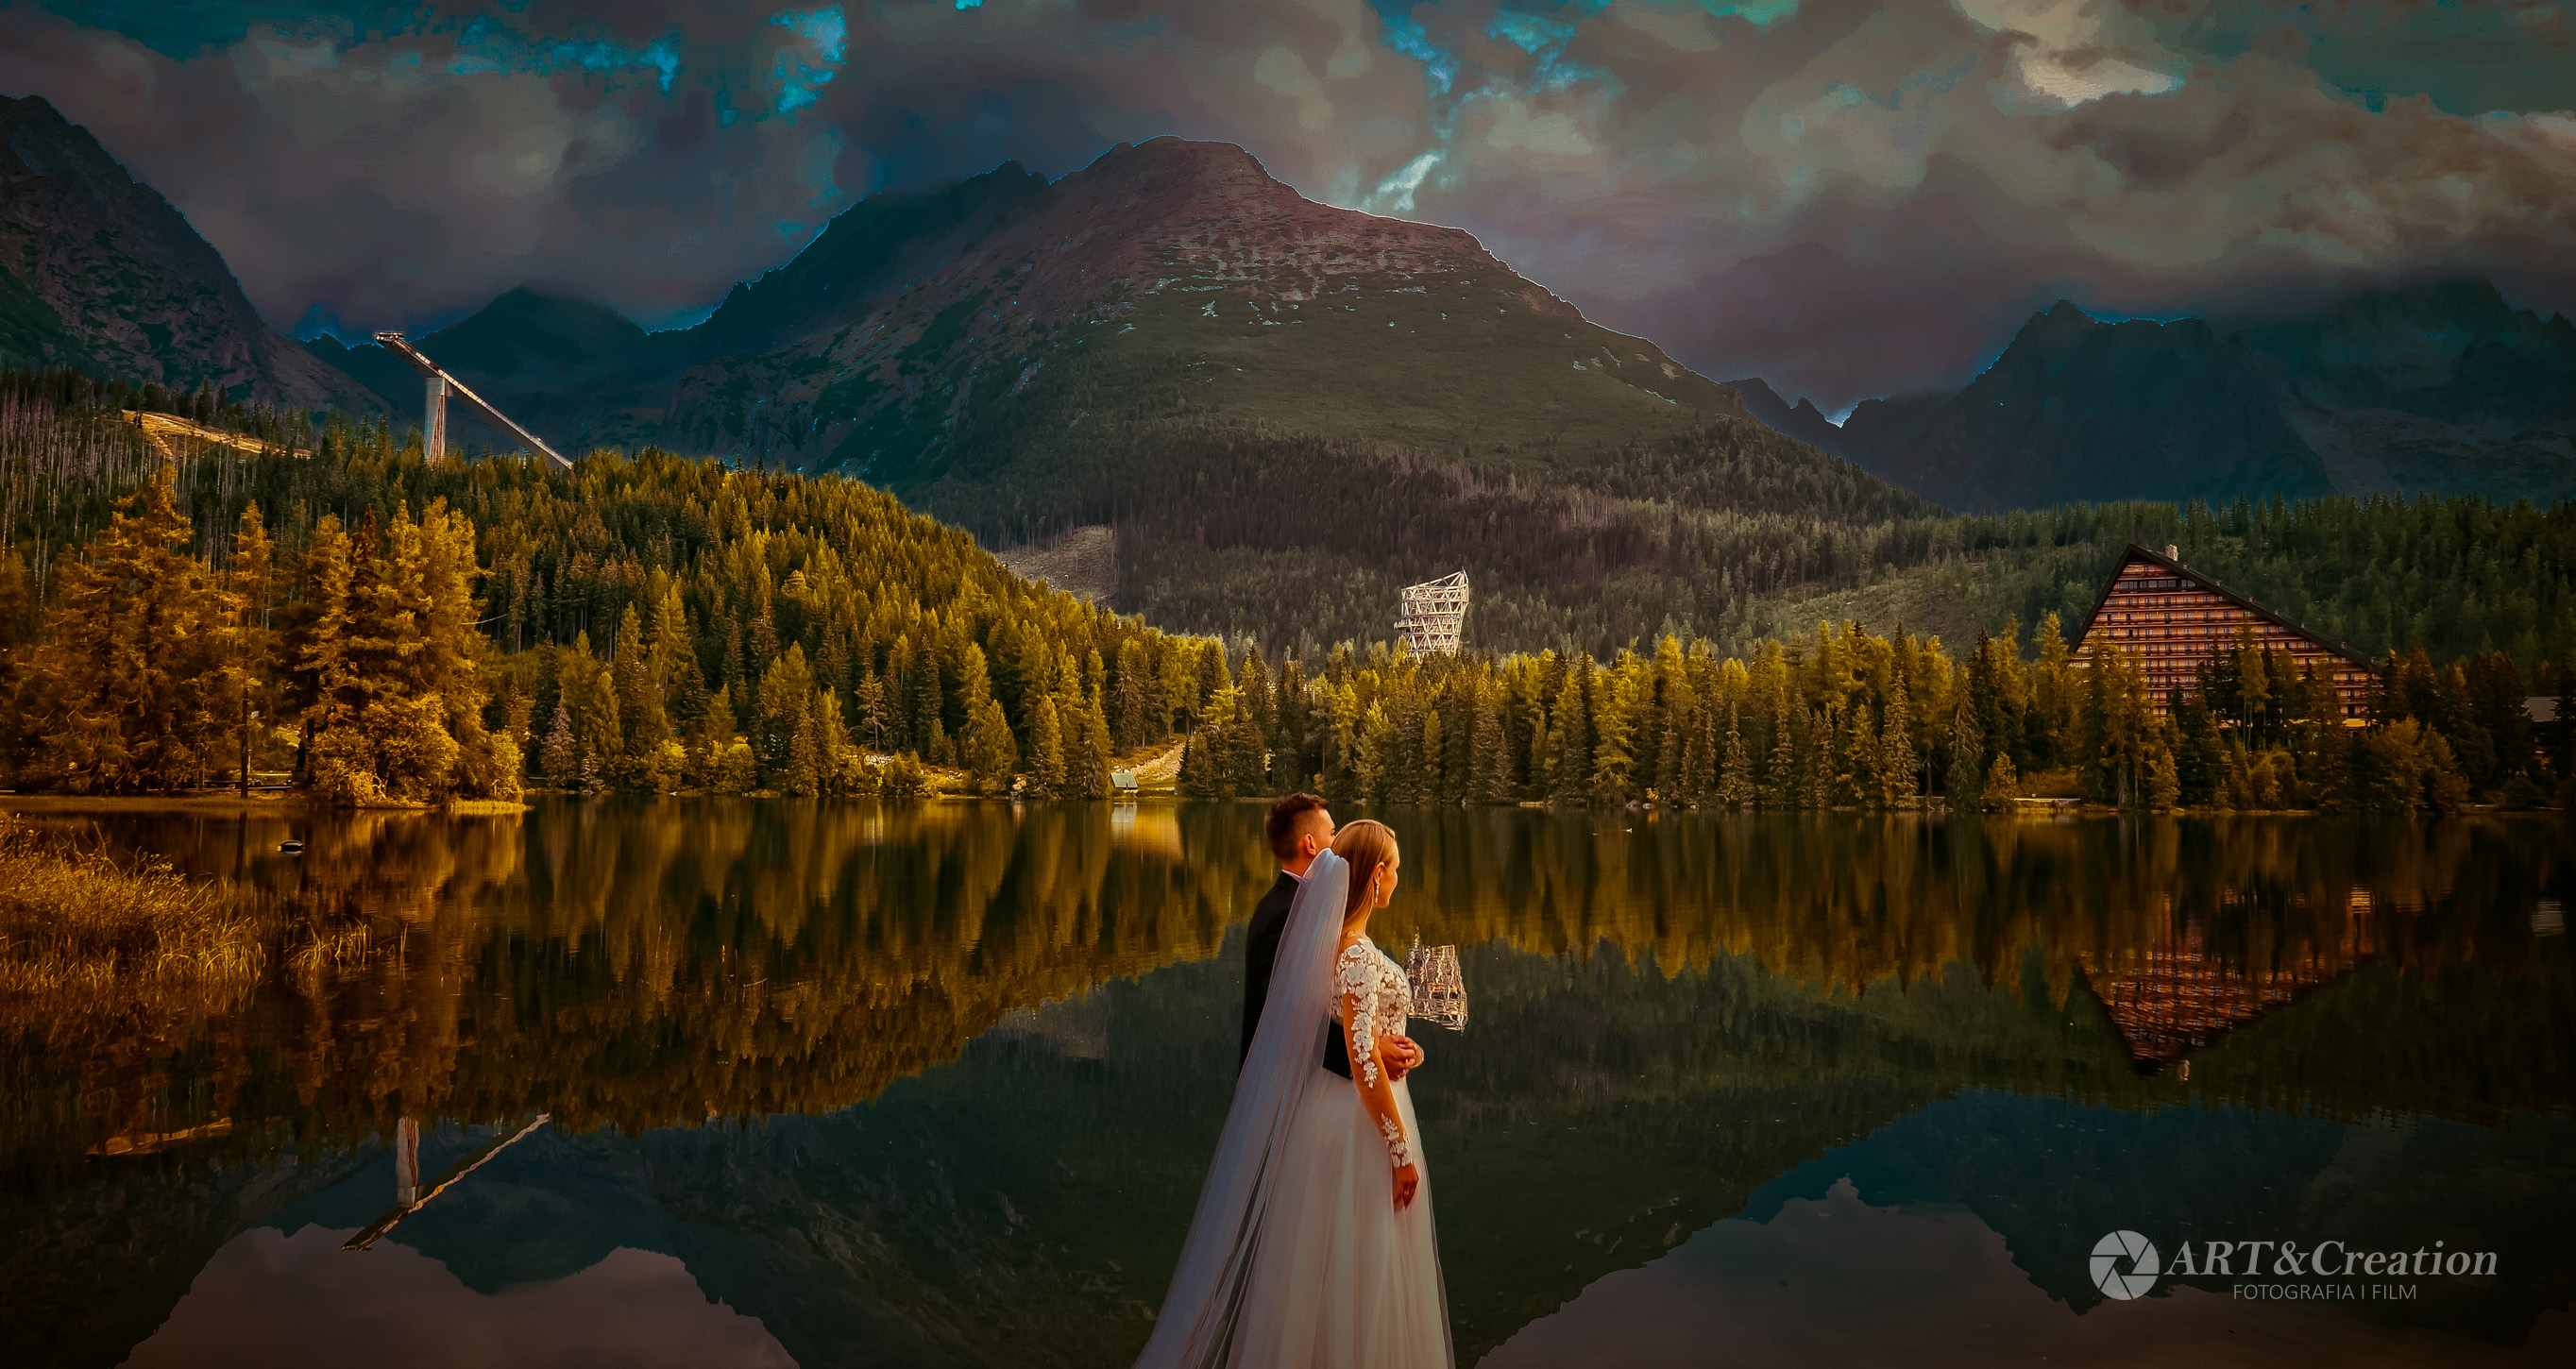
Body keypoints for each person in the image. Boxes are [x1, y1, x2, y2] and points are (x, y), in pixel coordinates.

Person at [1138, 818, 1453, 1368]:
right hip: (1359, 1122)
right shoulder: (1355, 955)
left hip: (1333, 1111)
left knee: (1325, 1260)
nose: (1399, 880)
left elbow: (1354, 1037)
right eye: (1395, 869)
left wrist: (1400, 1048)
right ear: (1375, 875)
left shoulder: (1336, 943)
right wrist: (1401, 1153)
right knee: (1361, 1259)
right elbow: (1362, 1064)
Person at [1243, 794, 1419, 1082]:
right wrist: (1367, 1054)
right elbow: (1287, 1014)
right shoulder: (1285, 913)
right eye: (1333, 834)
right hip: (1291, 1083)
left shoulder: (1305, 904)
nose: (1339, 845)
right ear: (1311, 844)